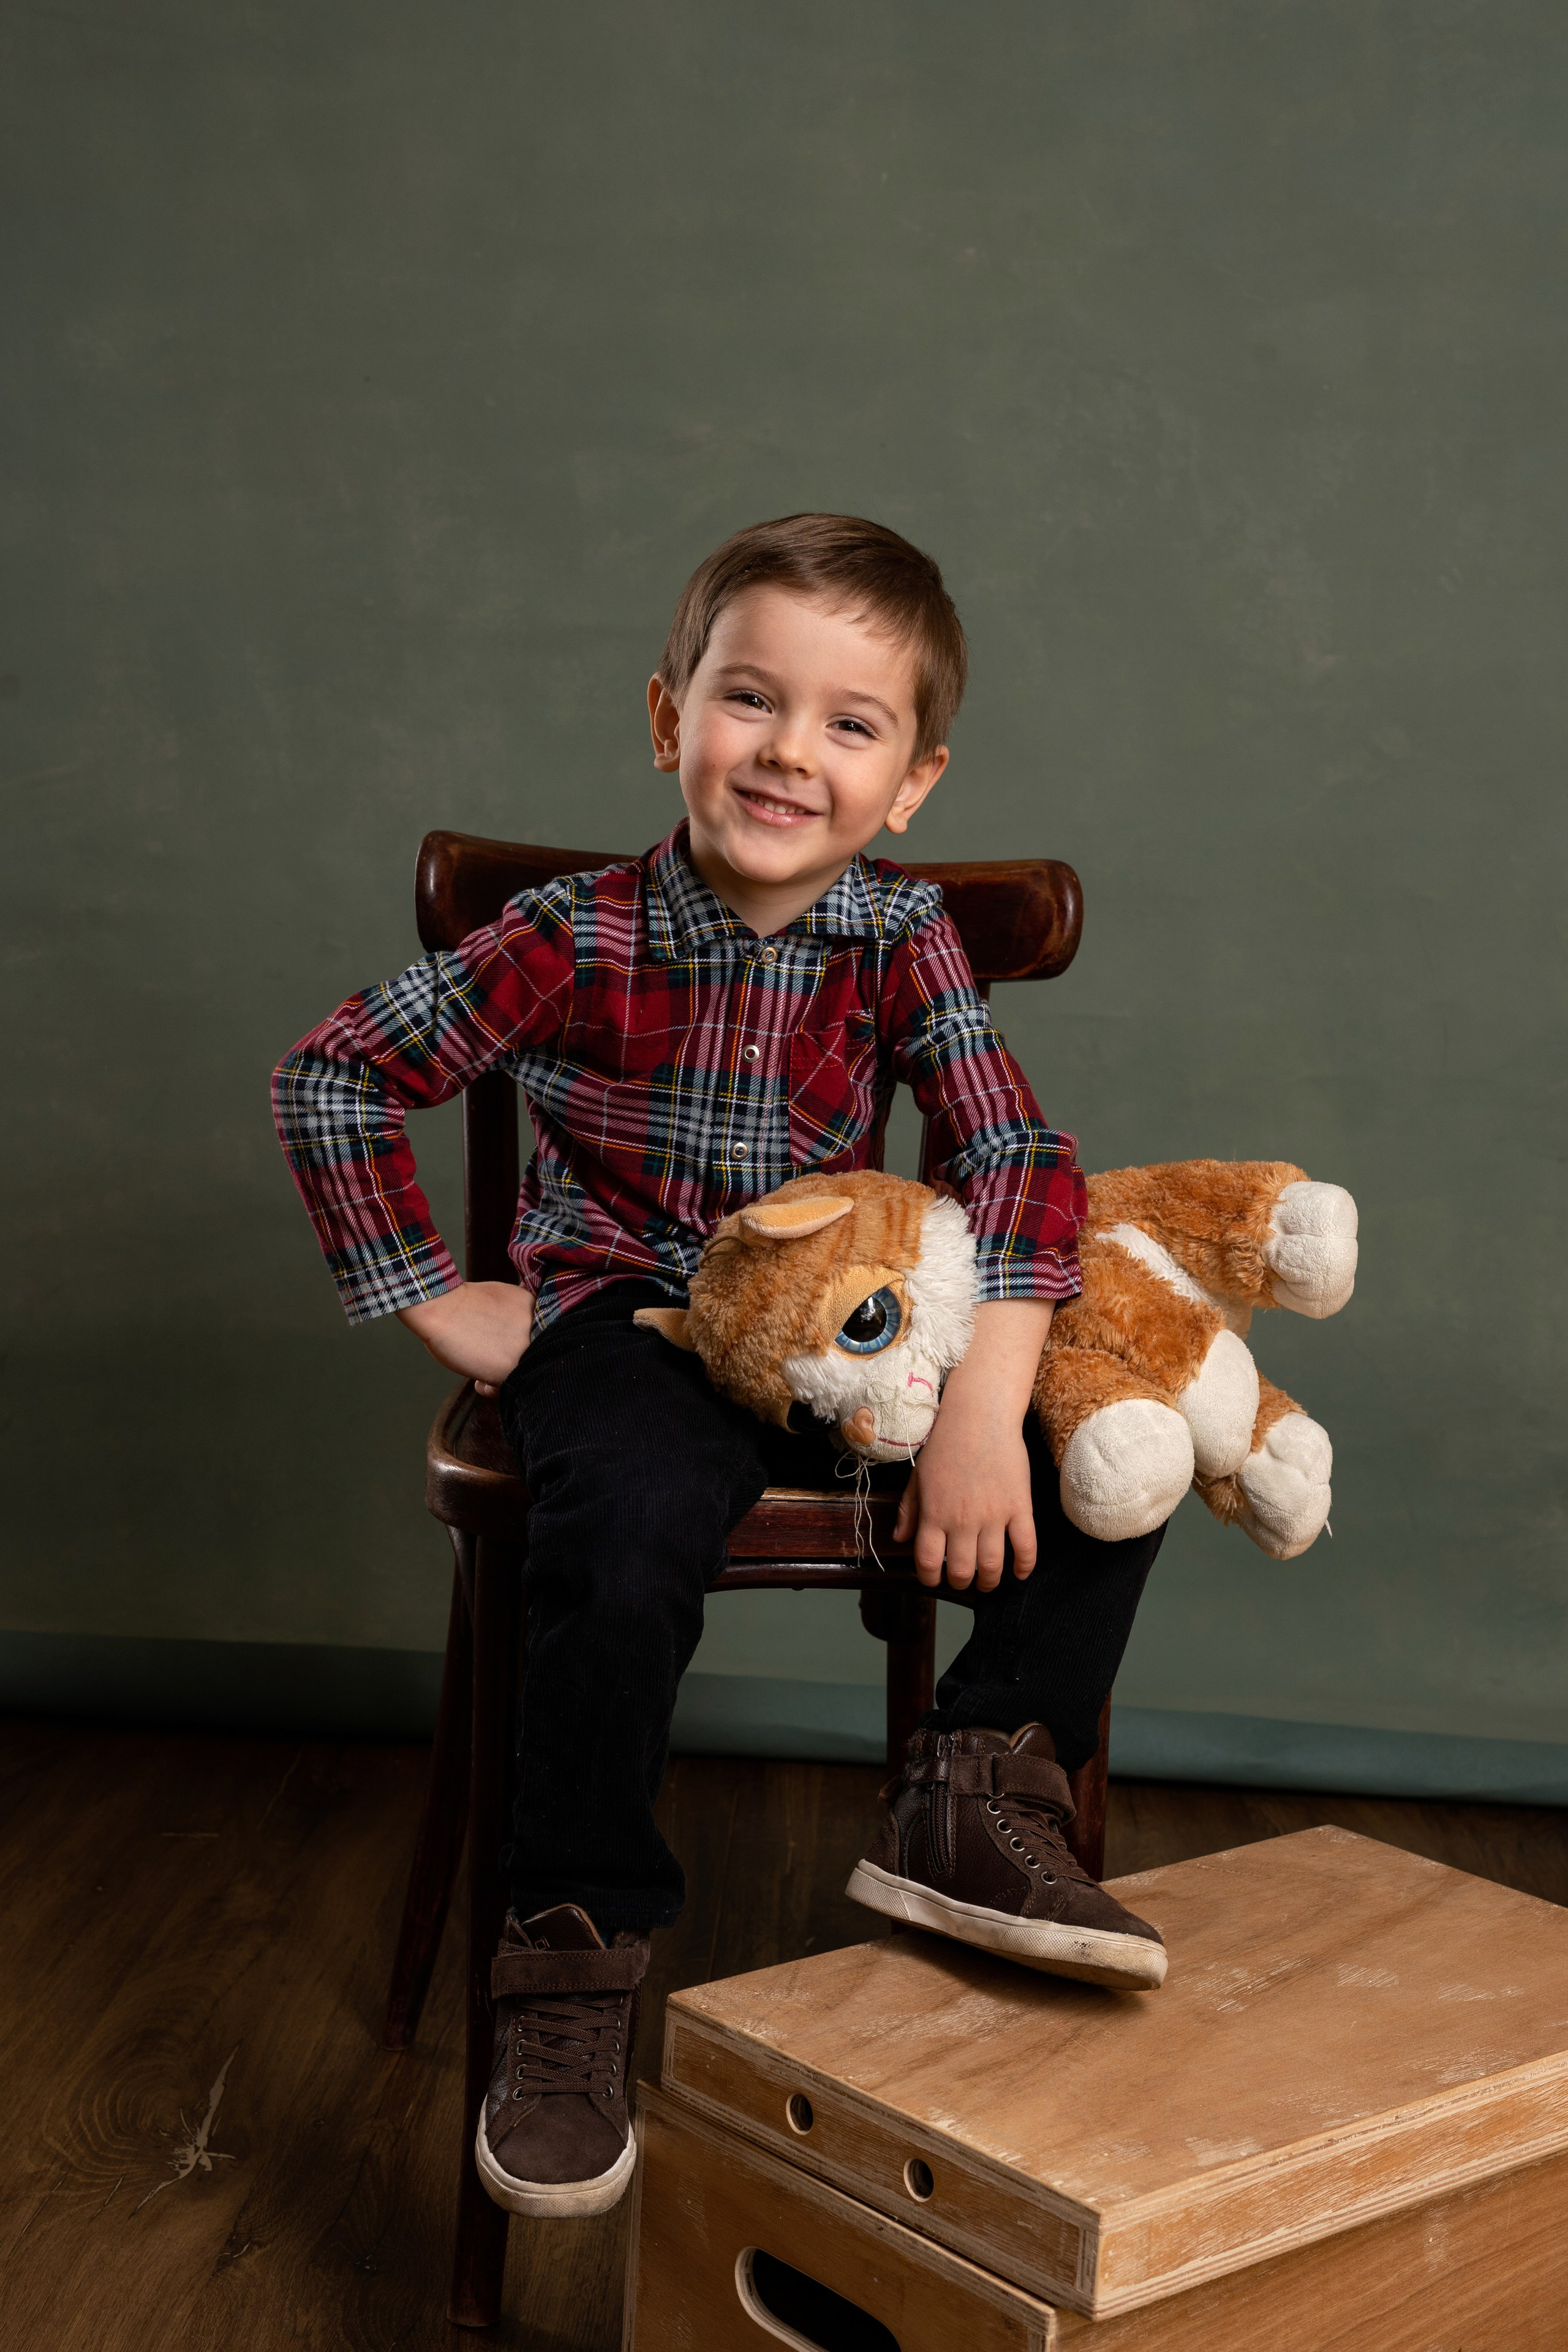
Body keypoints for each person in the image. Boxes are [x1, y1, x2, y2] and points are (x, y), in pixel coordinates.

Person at [272, 513, 1167, 2224]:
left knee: (1112, 1449)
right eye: (751, 701)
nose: (788, 754)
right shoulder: (570, 931)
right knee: (628, 1526)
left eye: (851, 723)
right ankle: (570, 1946)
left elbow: (1019, 1160)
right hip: (626, 1313)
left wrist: (984, 1408)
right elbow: (333, 1076)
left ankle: (978, 1787)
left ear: (912, 780)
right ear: (669, 714)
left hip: (854, 1340)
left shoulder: (903, 938)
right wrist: (437, 1298)